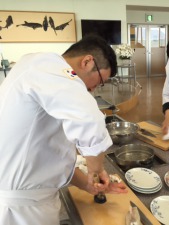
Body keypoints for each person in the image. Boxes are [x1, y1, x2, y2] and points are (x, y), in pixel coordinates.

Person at [0, 35, 127, 225]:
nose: (94, 89)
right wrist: (96, 169)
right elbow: (91, 121)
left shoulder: (38, 68)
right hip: (22, 210)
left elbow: (48, 154)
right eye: (100, 81)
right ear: (87, 61)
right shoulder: (51, 68)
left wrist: (87, 184)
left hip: (28, 198)